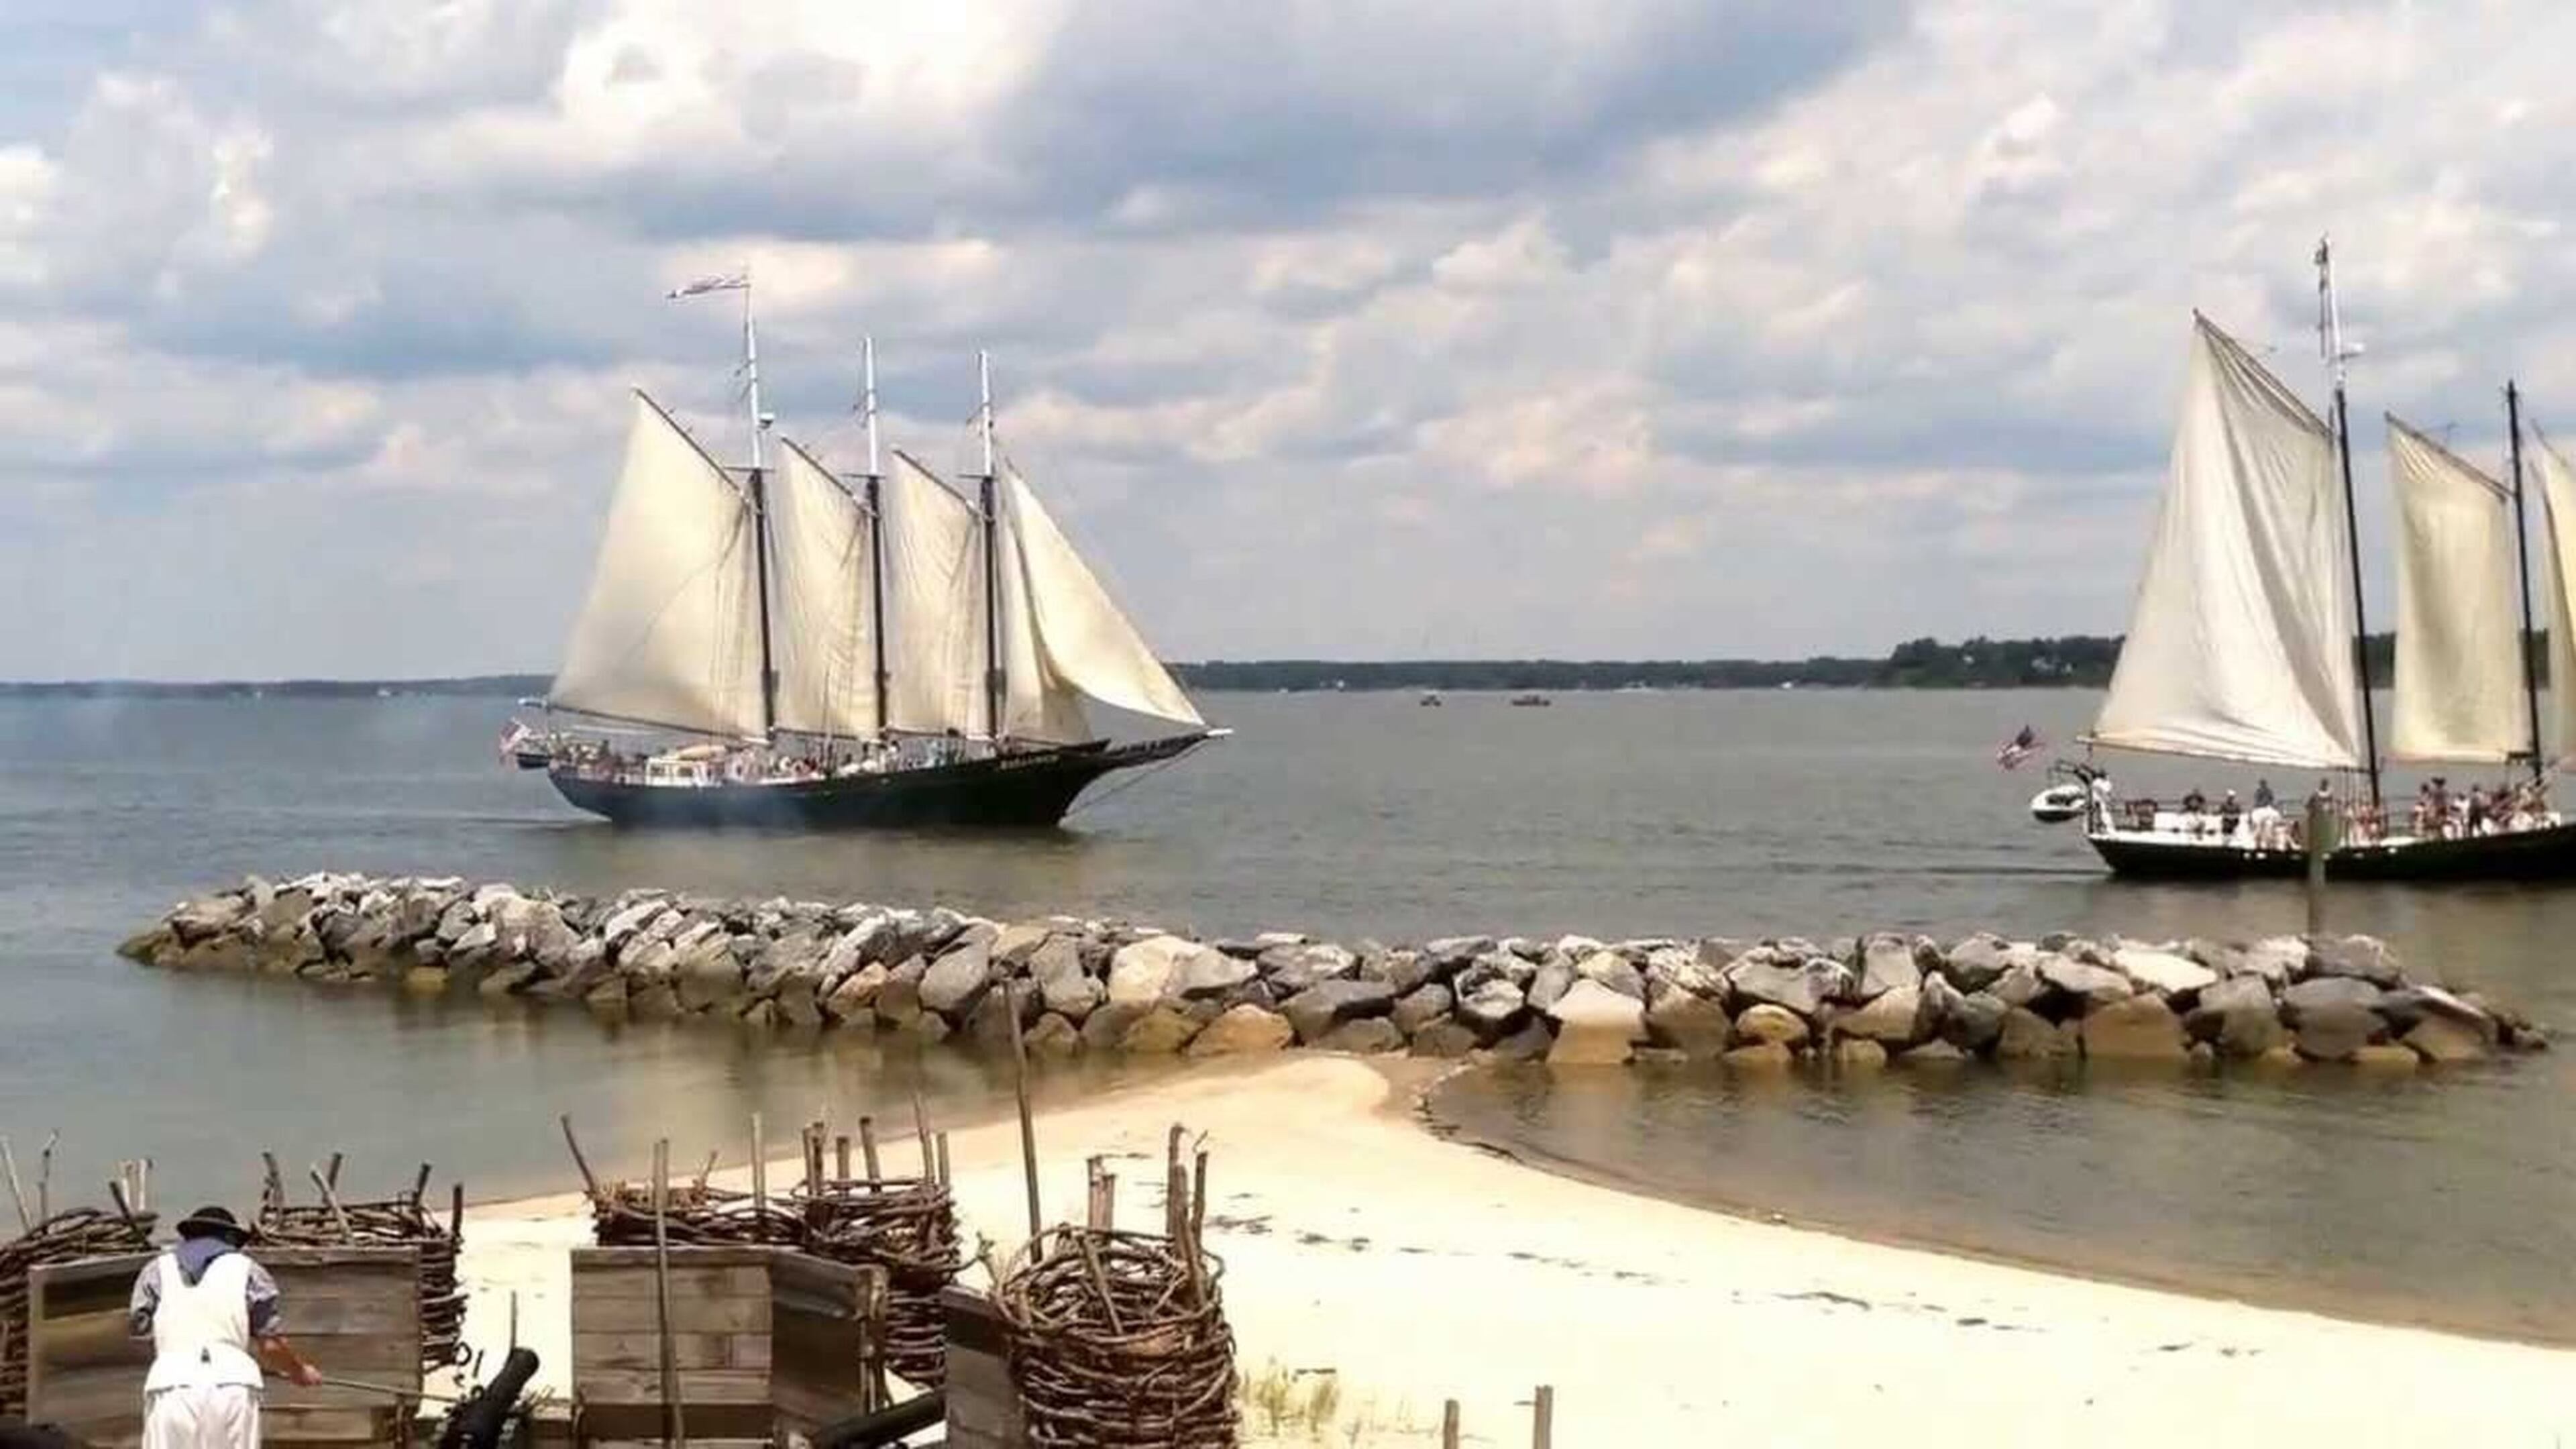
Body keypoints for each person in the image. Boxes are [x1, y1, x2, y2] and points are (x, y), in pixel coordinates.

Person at [129, 1205, 321, 1449]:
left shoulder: (155, 1271)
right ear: (230, 1238)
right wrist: (299, 1371)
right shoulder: (249, 1270)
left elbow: (140, 1331)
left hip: (170, 1386)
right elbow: (271, 1345)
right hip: (234, 1384)